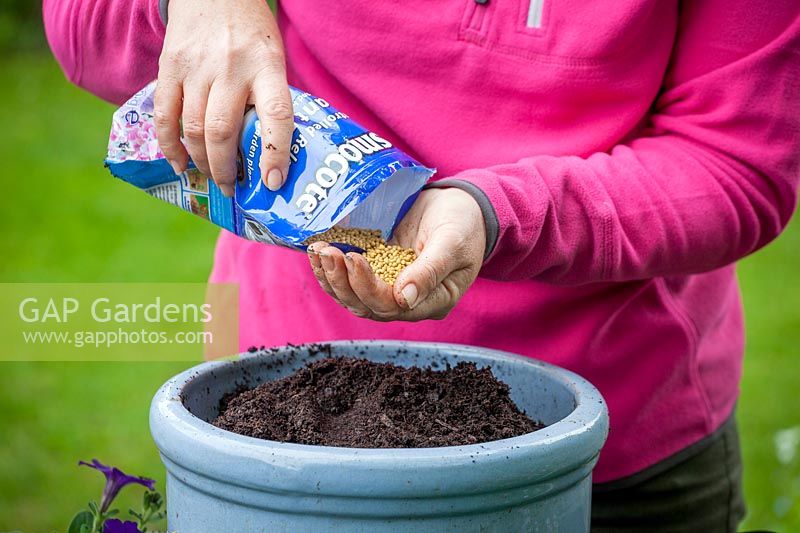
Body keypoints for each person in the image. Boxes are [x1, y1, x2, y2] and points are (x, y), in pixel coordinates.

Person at [43, 0, 799, 530]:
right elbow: (79, 30)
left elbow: (738, 162)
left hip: (608, 441)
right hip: (285, 419)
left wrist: (493, 213)